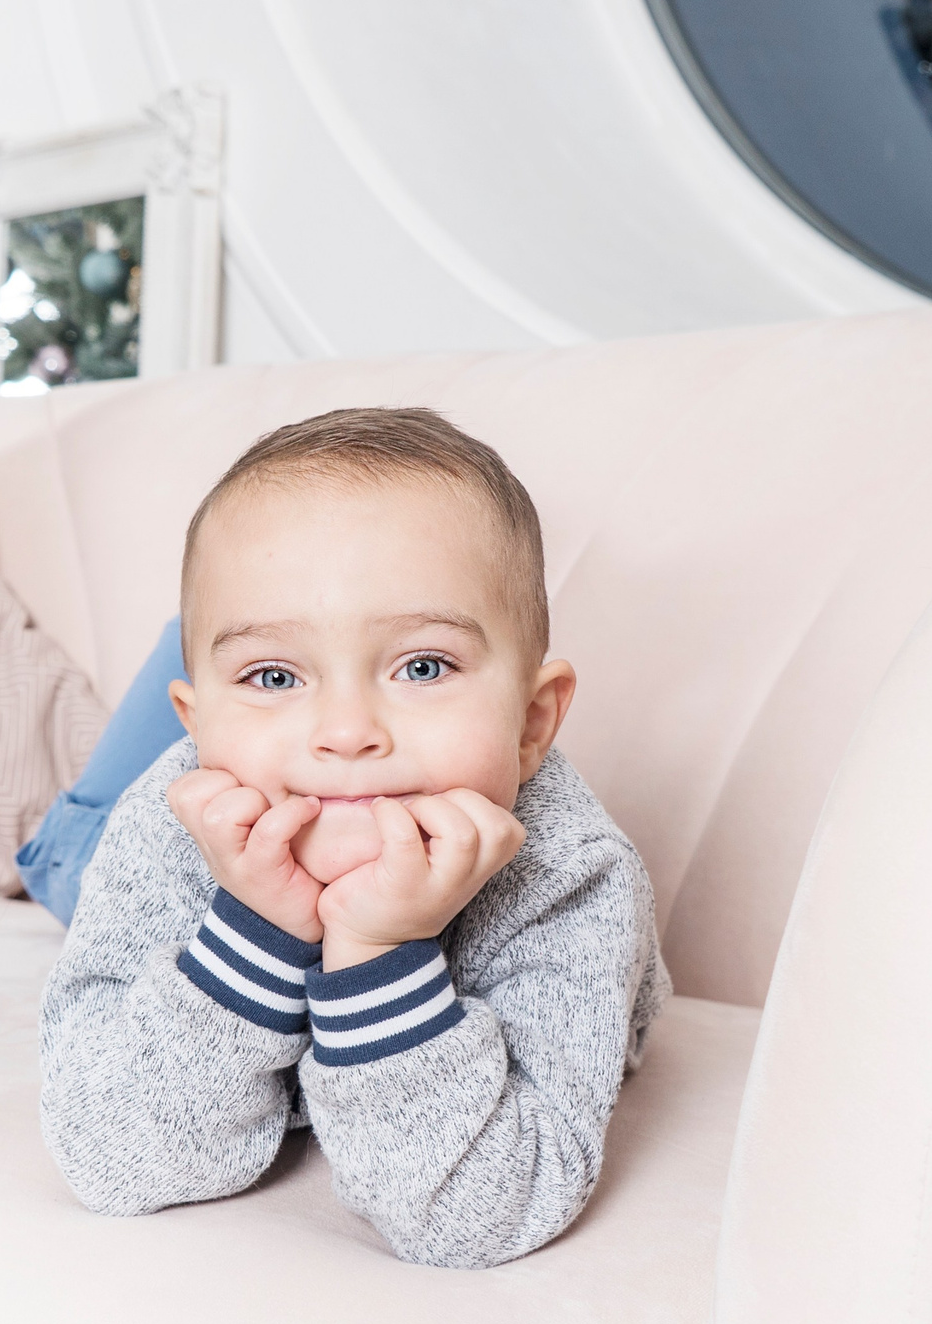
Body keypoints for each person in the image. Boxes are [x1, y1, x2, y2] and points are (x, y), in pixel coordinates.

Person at [37, 407, 667, 1269]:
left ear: (531, 724)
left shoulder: (573, 875)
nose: (345, 731)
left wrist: (380, 950)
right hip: (145, 824)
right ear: (196, 728)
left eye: (422, 666)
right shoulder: (175, 814)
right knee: (68, 862)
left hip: (287, 787)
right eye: (275, 674)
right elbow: (111, 1154)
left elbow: (486, 1211)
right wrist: (255, 932)